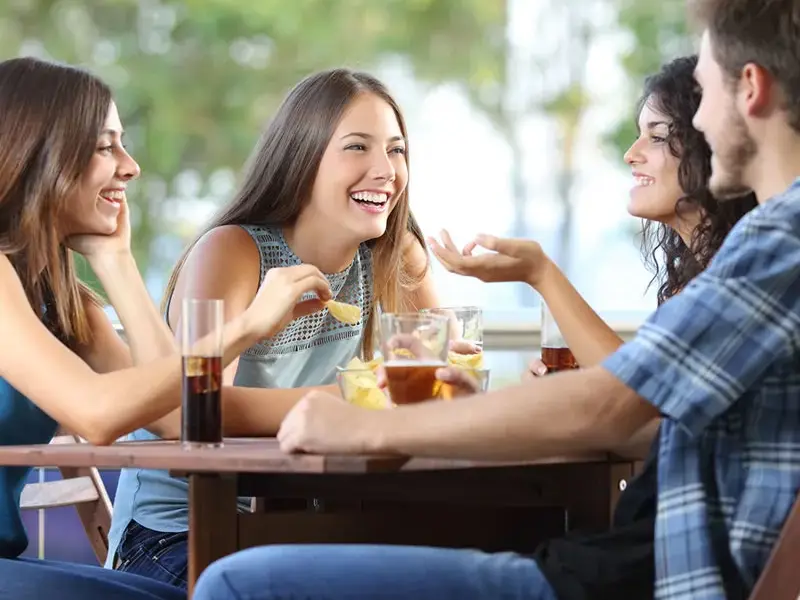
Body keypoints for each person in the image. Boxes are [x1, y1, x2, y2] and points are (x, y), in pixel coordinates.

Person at [196, 0, 800, 597]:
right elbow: (651, 422)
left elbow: (609, 405)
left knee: (235, 584)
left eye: (703, 92)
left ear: (750, 88)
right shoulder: (767, 243)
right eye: (357, 147)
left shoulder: (779, 241)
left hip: (635, 579)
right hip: (624, 566)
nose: (698, 122)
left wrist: (365, 428)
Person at [0, 57, 334, 599]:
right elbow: (97, 412)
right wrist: (247, 327)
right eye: (105, 146)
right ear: (39, 155)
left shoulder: (63, 303)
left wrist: (117, 264)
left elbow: (179, 417)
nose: (130, 167)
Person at [108, 68, 440, 587]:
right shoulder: (234, 251)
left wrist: (422, 388)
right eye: (357, 147)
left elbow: (432, 383)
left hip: (307, 523)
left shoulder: (396, 256)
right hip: (180, 532)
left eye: (396, 151)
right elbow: (195, 406)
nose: (385, 169)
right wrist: (349, 400)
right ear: (302, 157)